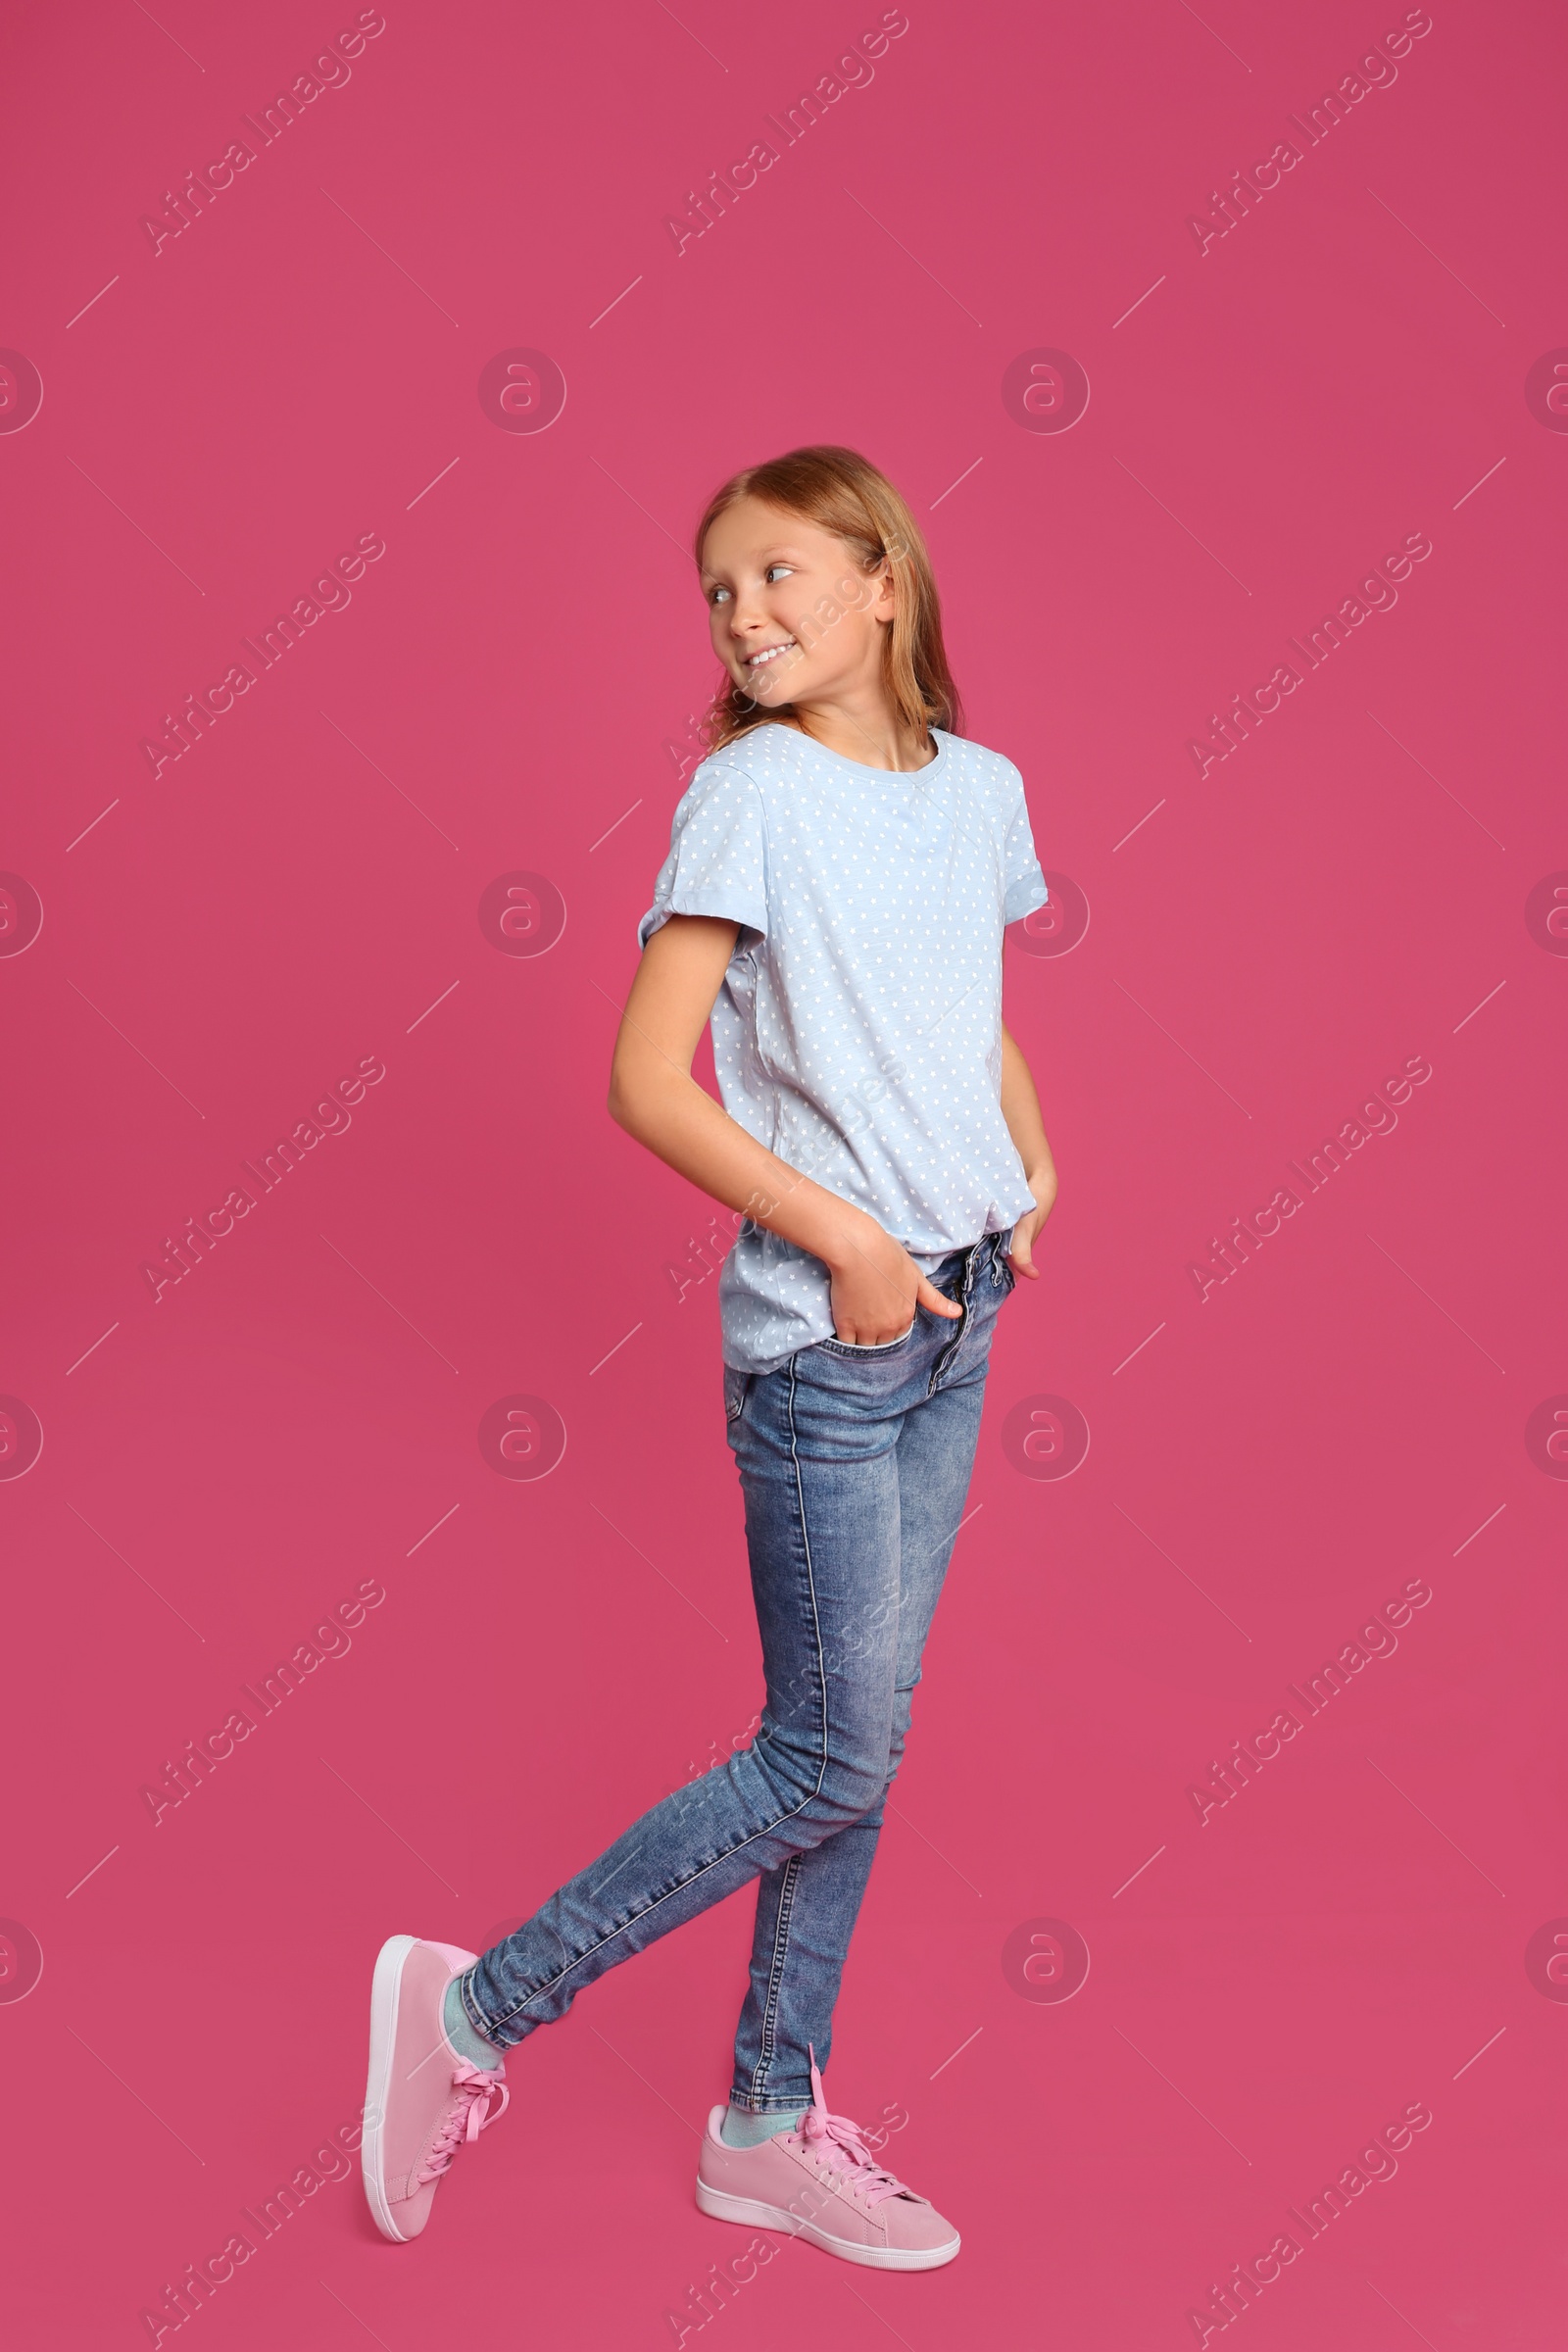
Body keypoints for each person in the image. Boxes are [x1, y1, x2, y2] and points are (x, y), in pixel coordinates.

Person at [361, 444, 1058, 2270]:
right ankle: (474, 2011)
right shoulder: (750, 793)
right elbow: (638, 1077)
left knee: (865, 1746)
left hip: (960, 1315)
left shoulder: (979, 792)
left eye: (779, 577)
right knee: (826, 1755)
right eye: (721, 594)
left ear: (885, 578)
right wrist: (843, 1238)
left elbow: (961, 1016)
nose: (746, 617)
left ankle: (768, 2111)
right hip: (832, 1343)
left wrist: (1029, 1168)